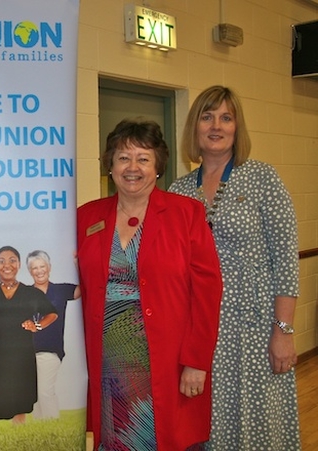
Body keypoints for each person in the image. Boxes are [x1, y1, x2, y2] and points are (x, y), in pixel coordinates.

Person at [77, 118, 223, 450]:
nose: (133, 167)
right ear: (110, 165)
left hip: (168, 362)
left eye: (143, 158)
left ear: (157, 167)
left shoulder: (187, 214)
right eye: (123, 157)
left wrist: (196, 362)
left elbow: (207, 292)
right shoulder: (86, 217)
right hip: (106, 365)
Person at [169, 85, 301, 450]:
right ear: (194, 126)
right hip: (200, 331)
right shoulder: (178, 191)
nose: (216, 125)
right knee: (209, 423)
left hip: (255, 329)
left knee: (259, 423)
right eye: (207, 117)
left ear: (237, 127)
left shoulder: (263, 179)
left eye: (226, 117)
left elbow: (286, 261)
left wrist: (284, 331)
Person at [0, 246, 58, 425]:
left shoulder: (31, 293)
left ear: (19, 264)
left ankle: (19, 438)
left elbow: (52, 313)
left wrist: (37, 325)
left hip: (21, 354)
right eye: (1, 261)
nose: (7, 265)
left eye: (12, 260)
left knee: (21, 401)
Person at [26, 249, 80, 420]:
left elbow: (85, 288)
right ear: (30, 271)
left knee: (45, 391)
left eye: (42, 266)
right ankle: (40, 433)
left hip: (50, 350)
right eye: (35, 268)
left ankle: (53, 428)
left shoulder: (61, 290)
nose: (39, 271)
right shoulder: (25, 294)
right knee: (33, 394)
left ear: (49, 268)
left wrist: (79, 264)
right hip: (27, 352)